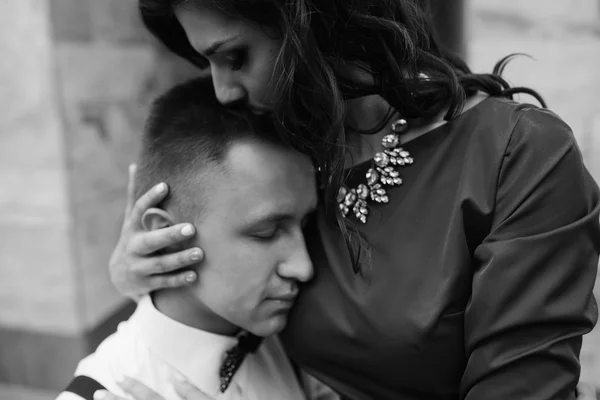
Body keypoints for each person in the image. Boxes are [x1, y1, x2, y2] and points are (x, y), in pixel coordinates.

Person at [107, 0, 600, 399]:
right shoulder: (279, 158)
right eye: (206, 63)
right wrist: (154, 285)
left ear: (312, 18)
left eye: (236, 57)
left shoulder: (516, 153)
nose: (223, 92)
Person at [57, 78, 338, 400]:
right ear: (169, 236)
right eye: (267, 232)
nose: (303, 268)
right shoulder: (102, 392)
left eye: (305, 226)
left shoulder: (295, 339)